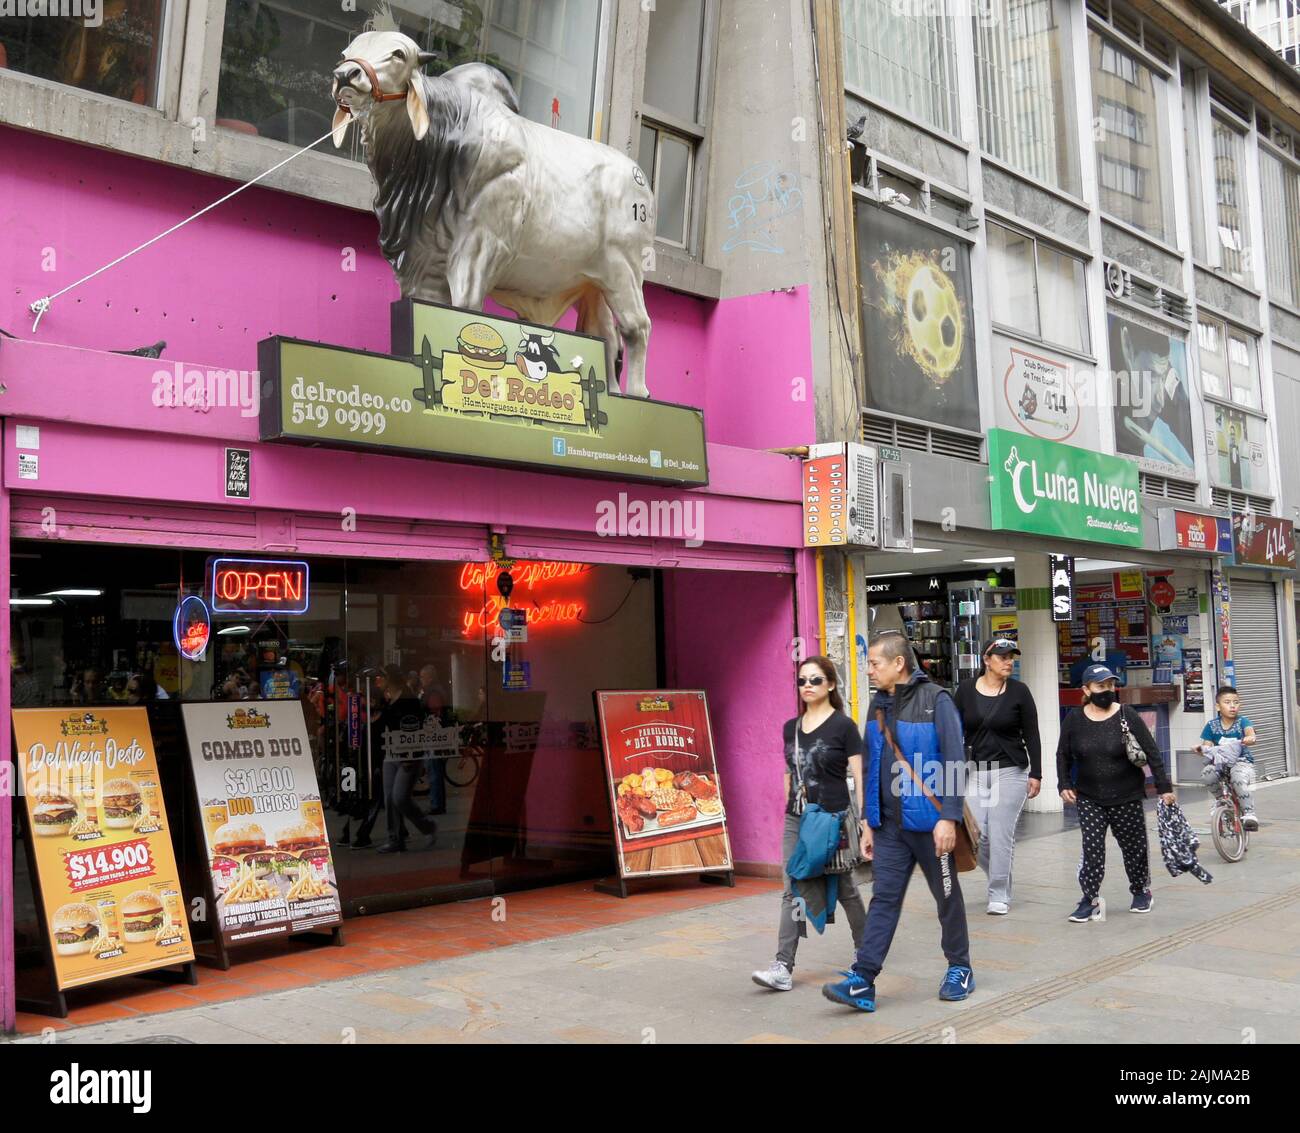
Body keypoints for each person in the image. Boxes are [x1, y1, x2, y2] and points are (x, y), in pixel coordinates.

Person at [823, 632, 973, 1012]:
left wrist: (949, 818)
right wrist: (869, 822)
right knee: (884, 899)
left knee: (947, 897)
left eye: (874, 663)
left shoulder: (936, 700)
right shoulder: (877, 705)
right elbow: (871, 767)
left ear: (898, 663)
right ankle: (864, 979)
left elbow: (955, 760)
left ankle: (960, 968)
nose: (869, 670)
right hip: (889, 828)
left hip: (930, 825)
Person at [752, 656, 867, 992]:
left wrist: (864, 822)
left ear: (830, 684)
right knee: (792, 888)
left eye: (815, 680)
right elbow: (789, 774)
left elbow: (859, 775)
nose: (807, 686)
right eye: (802, 680)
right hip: (798, 819)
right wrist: (792, 807)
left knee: (846, 888)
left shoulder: (844, 727)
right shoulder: (791, 727)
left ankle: (866, 952)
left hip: (833, 818)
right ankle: (783, 966)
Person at [1057, 664, 1175, 922]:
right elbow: (1063, 754)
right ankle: (1089, 899)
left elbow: (1151, 751)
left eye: (1110, 685)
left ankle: (1141, 890)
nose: (1107, 690)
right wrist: (1064, 783)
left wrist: (1164, 788)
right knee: (1092, 848)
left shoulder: (1127, 714)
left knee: (1133, 848)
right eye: (1101, 686)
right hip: (1089, 796)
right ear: (1086, 689)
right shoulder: (1074, 719)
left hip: (1127, 794)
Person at [952, 638, 1041, 915]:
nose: (1008, 662)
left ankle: (998, 892)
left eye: (1011, 657)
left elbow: (1032, 734)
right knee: (975, 835)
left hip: (1011, 771)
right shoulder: (965, 690)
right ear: (986, 660)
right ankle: (1000, 877)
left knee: (1001, 835)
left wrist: (1036, 773)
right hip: (975, 772)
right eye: (1002, 656)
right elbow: (953, 730)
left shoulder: (1019, 692)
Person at [374, 664, 438, 855]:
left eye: (381, 676)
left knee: (400, 797)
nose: (378, 680)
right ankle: (395, 838)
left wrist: (413, 754)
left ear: (390, 678)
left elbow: (415, 727)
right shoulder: (387, 698)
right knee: (389, 798)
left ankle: (427, 826)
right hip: (391, 754)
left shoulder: (408, 699)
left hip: (408, 755)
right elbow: (382, 724)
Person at [1195, 685, 1258, 831]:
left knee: (1237, 777)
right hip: (1219, 763)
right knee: (1207, 774)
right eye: (1227, 702)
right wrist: (1201, 750)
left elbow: (1250, 733)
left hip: (1241, 762)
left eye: (1236, 702)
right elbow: (1207, 747)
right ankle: (1220, 801)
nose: (1232, 706)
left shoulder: (1243, 722)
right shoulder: (1211, 726)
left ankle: (1249, 814)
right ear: (1218, 706)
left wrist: (1250, 738)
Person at [419, 663, 450, 817]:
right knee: (434, 770)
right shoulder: (436, 690)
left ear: (430, 677)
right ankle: (437, 803)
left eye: (423, 677)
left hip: (433, 735)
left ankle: (436, 804)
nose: (421, 680)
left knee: (434, 770)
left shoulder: (433, 692)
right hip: (436, 734)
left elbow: (434, 712)